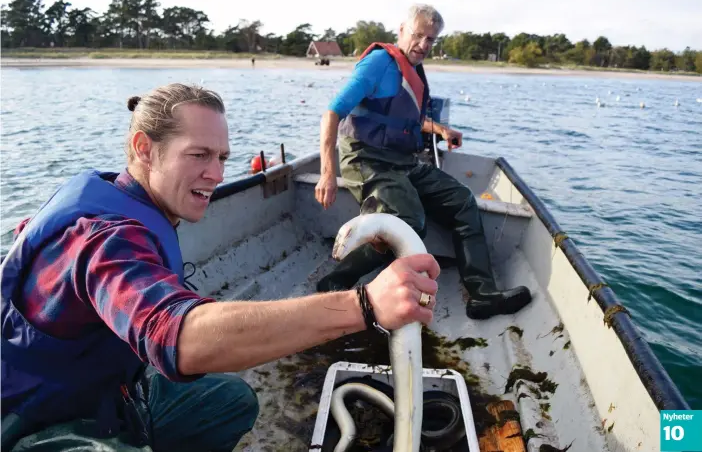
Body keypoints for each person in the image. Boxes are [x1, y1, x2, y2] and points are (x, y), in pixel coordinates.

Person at [0, 83, 441, 451]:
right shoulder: (105, 237)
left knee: (229, 401)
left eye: (223, 158)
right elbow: (179, 338)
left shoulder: (113, 193)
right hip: (35, 418)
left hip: (104, 393)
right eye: (198, 155)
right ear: (144, 149)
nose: (216, 174)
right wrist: (365, 305)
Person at [314, 4, 532, 320]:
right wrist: (327, 173)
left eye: (431, 40)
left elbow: (404, 120)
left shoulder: (413, 70)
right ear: (402, 30)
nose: (423, 45)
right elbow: (332, 114)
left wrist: (440, 129)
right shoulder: (378, 64)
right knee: (407, 220)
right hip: (365, 158)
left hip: (402, 161)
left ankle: (482, 294)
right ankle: (334, 282)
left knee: (462, 202)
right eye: (418, 36)